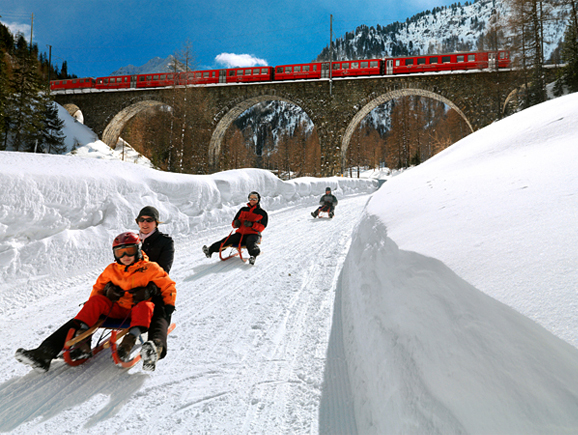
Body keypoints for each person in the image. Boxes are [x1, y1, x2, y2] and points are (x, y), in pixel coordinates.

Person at [15, 232, 177, 373]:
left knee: (146, 305)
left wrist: (168, 306)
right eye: (120, 253)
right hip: (115, 309)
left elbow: (168, 286)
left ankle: (129, 342)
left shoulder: (150, 268)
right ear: (115, 254)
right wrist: (107, 291)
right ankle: (46, 352)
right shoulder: (111, 270)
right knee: (95, 302)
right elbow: (97, 290)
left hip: (136, 312)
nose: (125, 256)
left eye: (130, 251)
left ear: (138, 251)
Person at [134, 206, 175, 370]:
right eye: (142, 220)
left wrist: (149, 288)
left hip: (155, 286)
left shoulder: (165, 242)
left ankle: (155, 347)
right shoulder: (132, 239)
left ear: (156, 223)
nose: (145, 223)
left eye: (149, 220)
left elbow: (163, 269)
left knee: (160, 308)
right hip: (129, 285)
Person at [202, 191, 268, 265]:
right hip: (240, 233)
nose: (252, 200)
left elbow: (262, 227)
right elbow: (234, 222)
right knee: (227, 240)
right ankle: (210, 250)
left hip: (253, 234)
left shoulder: (262, 213)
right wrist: (236, 223)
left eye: (254, 199)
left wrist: (252, 224)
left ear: (258, 200)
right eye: (251, 198)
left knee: (251, 242)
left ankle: (253, 256)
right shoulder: (243, 210)